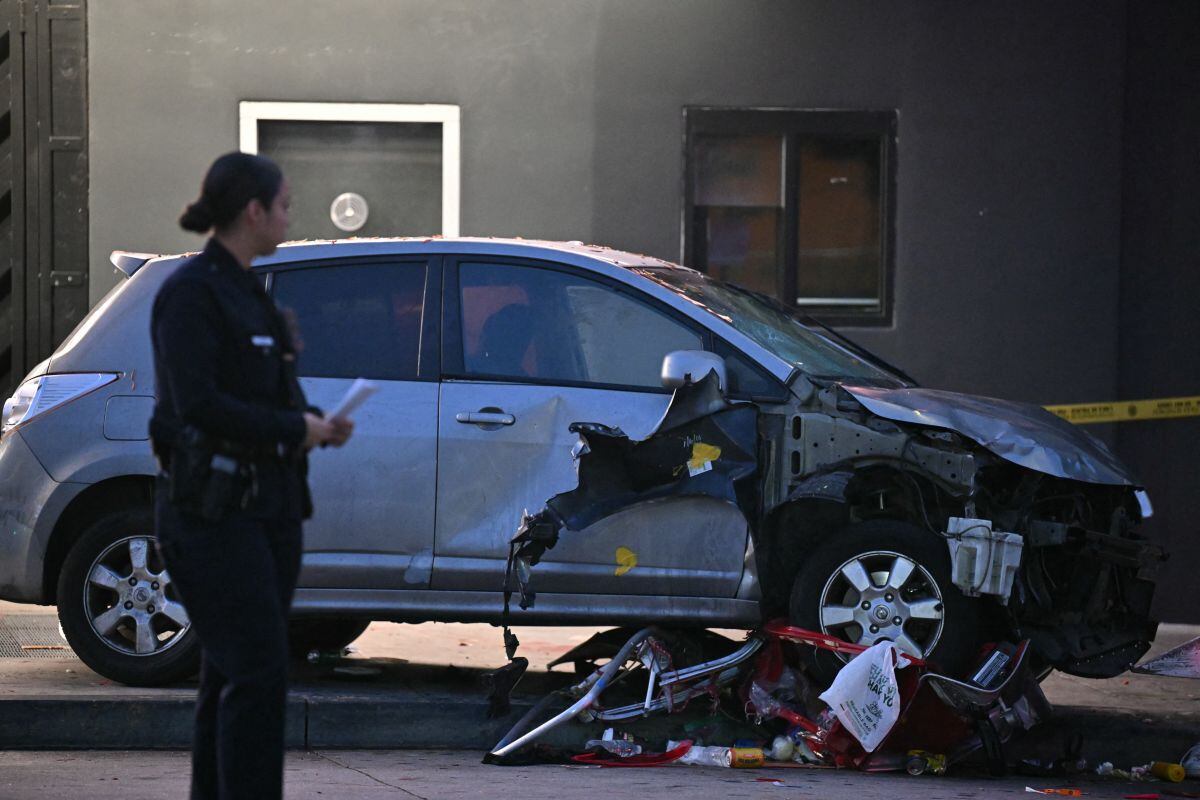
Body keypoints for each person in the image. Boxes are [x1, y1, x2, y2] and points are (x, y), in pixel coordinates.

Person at [149, 151, 353, 800]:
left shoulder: (251, 293)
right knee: (258, 672)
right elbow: (198, 404)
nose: (292, 216)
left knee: (231, 673)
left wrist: (313, 420)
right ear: (253, 211)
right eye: (286, 204)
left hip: (271, 509)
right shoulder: (191, 294)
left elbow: (269, 399)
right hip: (214, 515)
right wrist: (296, 430)